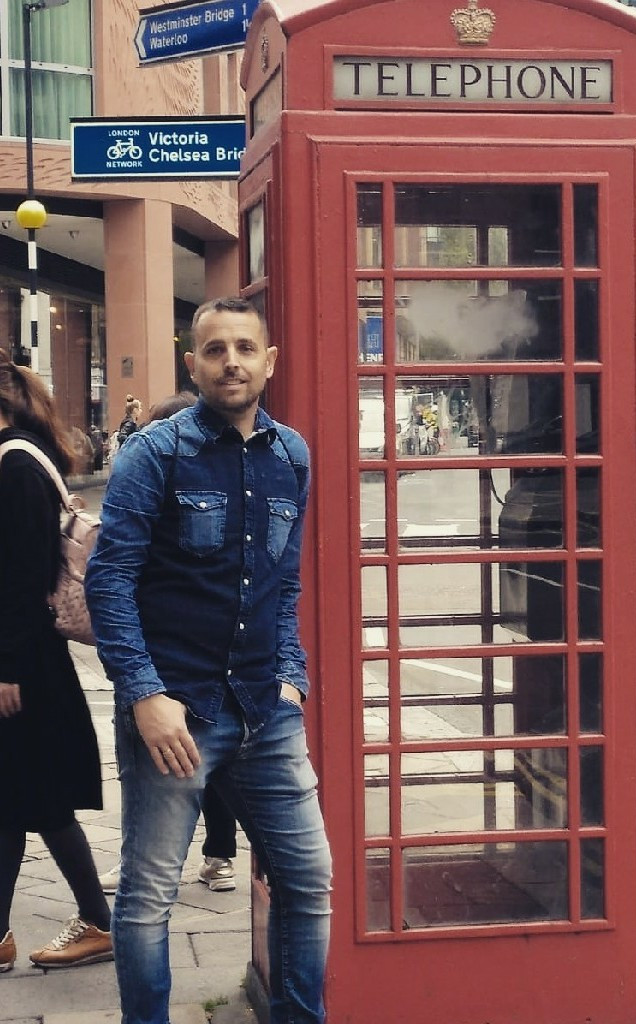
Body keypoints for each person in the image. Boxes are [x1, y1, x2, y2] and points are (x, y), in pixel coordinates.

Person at [85, 297, 332, 1024]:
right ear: (192, 364)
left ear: (269, 361)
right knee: (149, 895)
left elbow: (282, 583)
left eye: (245, 348)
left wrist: (291, 676)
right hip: (177, 710)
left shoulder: (291, 455)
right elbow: (110, 580)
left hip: (265, 710)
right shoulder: (154, 454)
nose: (232, 363)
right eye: (216, 350)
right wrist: (144, 695)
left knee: (308, 879)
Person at [97, 390, 241, 897]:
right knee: (200, 777)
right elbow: (112, 577)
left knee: (161, 775)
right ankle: (213, 857)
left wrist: (290, 679)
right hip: (181, 670)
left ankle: (176, 859)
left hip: (186, 665)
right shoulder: (167, 469)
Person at [0, 352, 113, 972]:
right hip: (24, 658)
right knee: (24, 798)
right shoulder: (16, 458)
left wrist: (7, 668)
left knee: (30, 798)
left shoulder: (16, 465)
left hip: (24, 665)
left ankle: (94, 921)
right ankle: (19, 932)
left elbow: (22, 577)